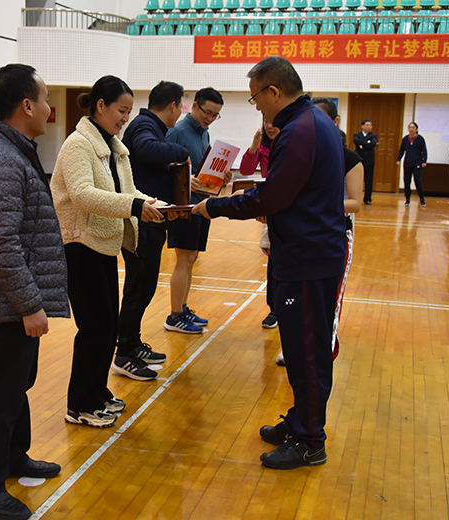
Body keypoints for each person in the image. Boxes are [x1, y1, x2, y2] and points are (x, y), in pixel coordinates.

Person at [193, 56, 347, 470]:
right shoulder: (309, 122)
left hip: (309, 258)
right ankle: (300, 422)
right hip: (303, 253)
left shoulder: (301, 129)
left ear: (274, 92)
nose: (257, 106)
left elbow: (273, 195)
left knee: (308, 353)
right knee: (298, 350)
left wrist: (215, 207)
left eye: (256, 97)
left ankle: (310, 440)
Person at [0, 64, 69, 520]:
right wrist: (29, 304)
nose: (49, 109)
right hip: (6, 305)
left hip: (11, 301)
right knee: (0, 395)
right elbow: (2, 244)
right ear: (27, 105)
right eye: (45, 100)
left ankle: (13, 458)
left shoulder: (14, 152)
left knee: (16, 386)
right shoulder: (1, 160)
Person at [51, 75, 170, 428]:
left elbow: (129, 191)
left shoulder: (115, 148)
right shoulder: (78, 145)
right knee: (94, 327)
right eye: (121, 110)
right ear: (100, 106)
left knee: (107, 326)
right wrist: (134, 206)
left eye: (129, 111)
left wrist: (161, 206)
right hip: (78, 245)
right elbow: (82, 194)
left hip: (103, 243)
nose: (125, 118)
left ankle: (97, 393)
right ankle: (79, 405)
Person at [271, 96, 363, 367]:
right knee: (299, 298)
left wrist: (316, 202)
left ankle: (324, 354)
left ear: (334, 122)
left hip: (335, 235)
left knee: (329, 300)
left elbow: (356, 203)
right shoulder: (300, 151)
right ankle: (294, 347)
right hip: (302, 234)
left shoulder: (349, 158)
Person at [116, 81, 190, 381]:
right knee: (139, 288)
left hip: (151, 220)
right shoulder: (145, 125)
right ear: (172, 106)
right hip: (143, 222)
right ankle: (124, 352)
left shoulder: (150, 126)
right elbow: (146, 149)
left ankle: (132, 343)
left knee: (143, 287)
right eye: (180, 107)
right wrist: (182, 151)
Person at [164, 88, 231, 334]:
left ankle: (182, 308)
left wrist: (221, 176)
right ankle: (174, 316)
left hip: (202, 204)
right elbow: (163, 166)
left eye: (215, 115)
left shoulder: (204, 134)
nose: (210, 118)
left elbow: (203, 170)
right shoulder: (177, 132)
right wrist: (184, 178)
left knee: (191, 259)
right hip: (184, 205)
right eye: (207, 112)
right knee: (184, 259)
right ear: (194, 106)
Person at [239, 116, 281, 328]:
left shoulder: (291, 143)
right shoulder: (263, 146)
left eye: (273, 122)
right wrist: (254, 147)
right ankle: (274, 309)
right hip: (269, 206)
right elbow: (246, 170)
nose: (269, 126)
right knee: (272, 258)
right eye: (266, 122)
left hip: (288, 205)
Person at [396, 122, 428, 207]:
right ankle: (407, 199)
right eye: (409, 127)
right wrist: (398, 159)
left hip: (417, 163)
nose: (411, 129)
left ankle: (422, 199)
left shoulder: (420, 139)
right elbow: (401, 150)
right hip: (407, 163)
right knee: (407, 181)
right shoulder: (405, 139)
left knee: (418, 181)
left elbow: (424, 150)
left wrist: (424, 161)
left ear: (416, 129)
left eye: (413, 127)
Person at [353, 119, 378, 205]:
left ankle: (367, 199)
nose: (369, 127)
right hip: (359, 159)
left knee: (368, 180)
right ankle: (356, 198)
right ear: (362, 126)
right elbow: (356, 141)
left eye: (370, 125)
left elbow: (373, 143)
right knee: (356, 180)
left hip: (369, 160)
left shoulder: (373, 135)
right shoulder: (357, 135)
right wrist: (367, 142)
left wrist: (362, 144)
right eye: (367, 125)